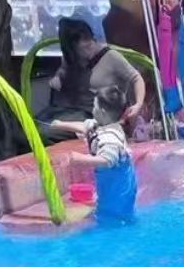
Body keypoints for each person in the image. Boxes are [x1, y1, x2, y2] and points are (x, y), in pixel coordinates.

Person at [37, 18, 144, 144]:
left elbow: (136, 78)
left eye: (89, 42)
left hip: (96, 113)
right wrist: (58, 79)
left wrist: (138, 104)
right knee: (30, 127)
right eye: (81, 48)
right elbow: (60, 79)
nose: (89, 47)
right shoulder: (71, 60)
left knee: (44, 133)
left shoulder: (111, 56)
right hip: (70, 109)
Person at [52, 86, 137, 223]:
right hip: (112, 183)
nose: (92, 109)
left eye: (94, 106)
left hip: (119, 189)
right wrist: (61, 124)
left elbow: (107, 160)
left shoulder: (110, 137)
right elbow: (84, 126)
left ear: (102, 112)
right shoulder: (101, 124)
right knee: (106, 207)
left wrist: (80, 159)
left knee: (113, 218)